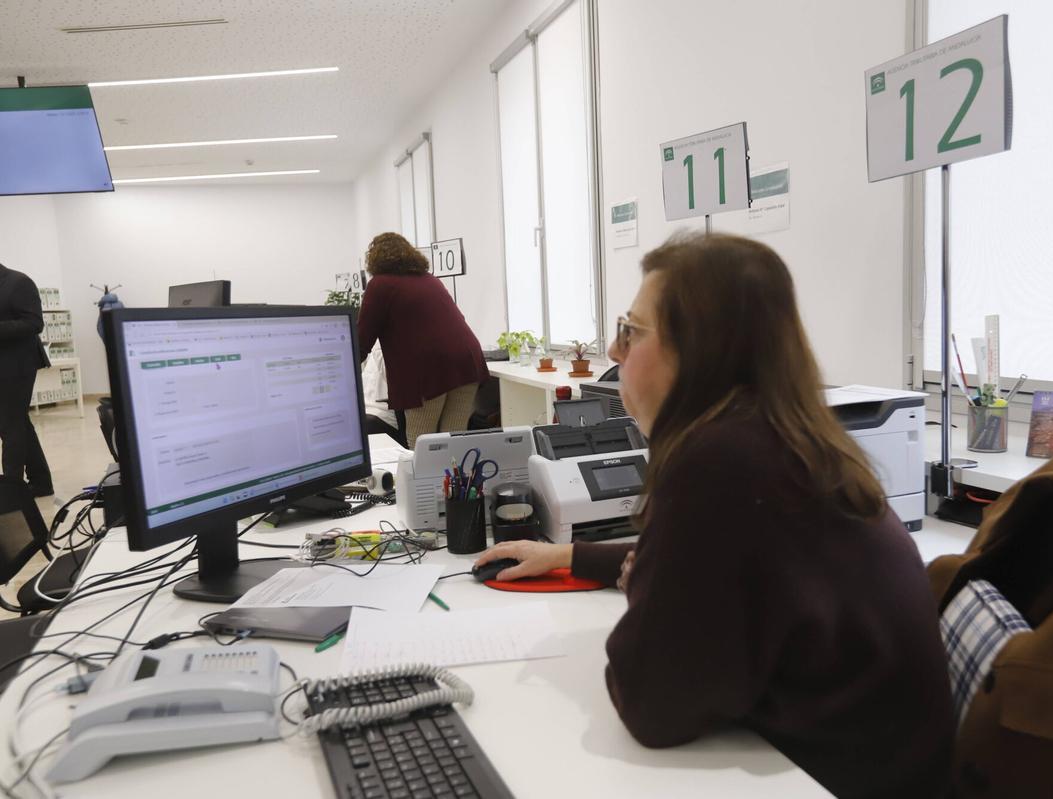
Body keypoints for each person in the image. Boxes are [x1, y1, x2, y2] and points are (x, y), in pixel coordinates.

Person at [476, 233, 954, 797]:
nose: (612, 352)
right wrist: (571, 556)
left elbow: (652, 702)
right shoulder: (783, 439)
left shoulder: (722, 460)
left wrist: (646, 593)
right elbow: (734, 571)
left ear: (697, 349)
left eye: (631, 330)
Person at [356, 233, 488, 447]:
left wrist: (342, 373)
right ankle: (454, 481)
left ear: (375, 258)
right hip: (467, 362)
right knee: (454, 439)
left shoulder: (380, 285)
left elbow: (362, 340)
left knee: (421, 442)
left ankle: (427, 481)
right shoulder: (430, 279)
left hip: (429, 371)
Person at [0, 262, 53, 496]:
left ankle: (11, 493)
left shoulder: (18, 282)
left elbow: (34, 323)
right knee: (17, 422)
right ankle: (41, 482)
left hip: (18, 364)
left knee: (10, 425)